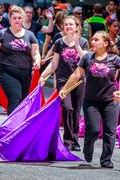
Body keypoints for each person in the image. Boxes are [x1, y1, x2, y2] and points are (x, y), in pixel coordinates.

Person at [60, 31, 120, 169]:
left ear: (105, 43)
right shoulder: (87, 58)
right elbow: (76, 75)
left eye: (96, 40)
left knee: (110, 131)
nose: (92, 42)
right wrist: (65, 89)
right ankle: (88, 146)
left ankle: (106, 160)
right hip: (91, 101)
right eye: (92, 39)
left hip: (111, 101)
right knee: (93, 129)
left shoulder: (115, 59)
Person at [0, 6, 40, 115]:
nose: (17, 20)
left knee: (22, 101)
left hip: (25, 73)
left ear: (23, 19)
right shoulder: (2, 34)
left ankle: (19, 127)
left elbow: (35, 53)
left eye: (19, 18)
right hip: (7, 72)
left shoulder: (30, 35)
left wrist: (36, 60)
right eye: (14, 18)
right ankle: (11, 127)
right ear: (10, 19)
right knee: (15, 97)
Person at [40, 16, 89, 151]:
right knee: (67, 108)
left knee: (76, 111)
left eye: (71, 25)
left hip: (79, 80)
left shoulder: (83, 42)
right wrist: (44, 75)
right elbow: (54, 63)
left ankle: (75, 141)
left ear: (77, 27)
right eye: (66, 24)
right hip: (63, 81)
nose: (68, 27)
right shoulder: (59, 43)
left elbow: (86, 59)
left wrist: (77, 45)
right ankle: (68, 140)